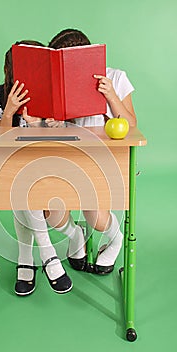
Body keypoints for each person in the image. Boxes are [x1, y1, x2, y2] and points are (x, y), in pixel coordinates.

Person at [45, 28, 137, 275]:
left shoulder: (115, 77)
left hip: (104, 159)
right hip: (69, 156)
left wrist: (111, 95)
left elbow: (131, 126)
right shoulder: (60, 84)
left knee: (94, 215)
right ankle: (76, 236)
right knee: (50, 210)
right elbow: (62, 130)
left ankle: (116, 239)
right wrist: (56, 123)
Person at [0, 40, 72, 296]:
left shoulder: (53, 93)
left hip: (50, 165)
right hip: (13, 165)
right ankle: (47, 255)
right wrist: (9, 112)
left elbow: (59, 143)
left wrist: (43, 124)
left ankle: (26, 260)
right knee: (21, 179)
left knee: (26, 182)